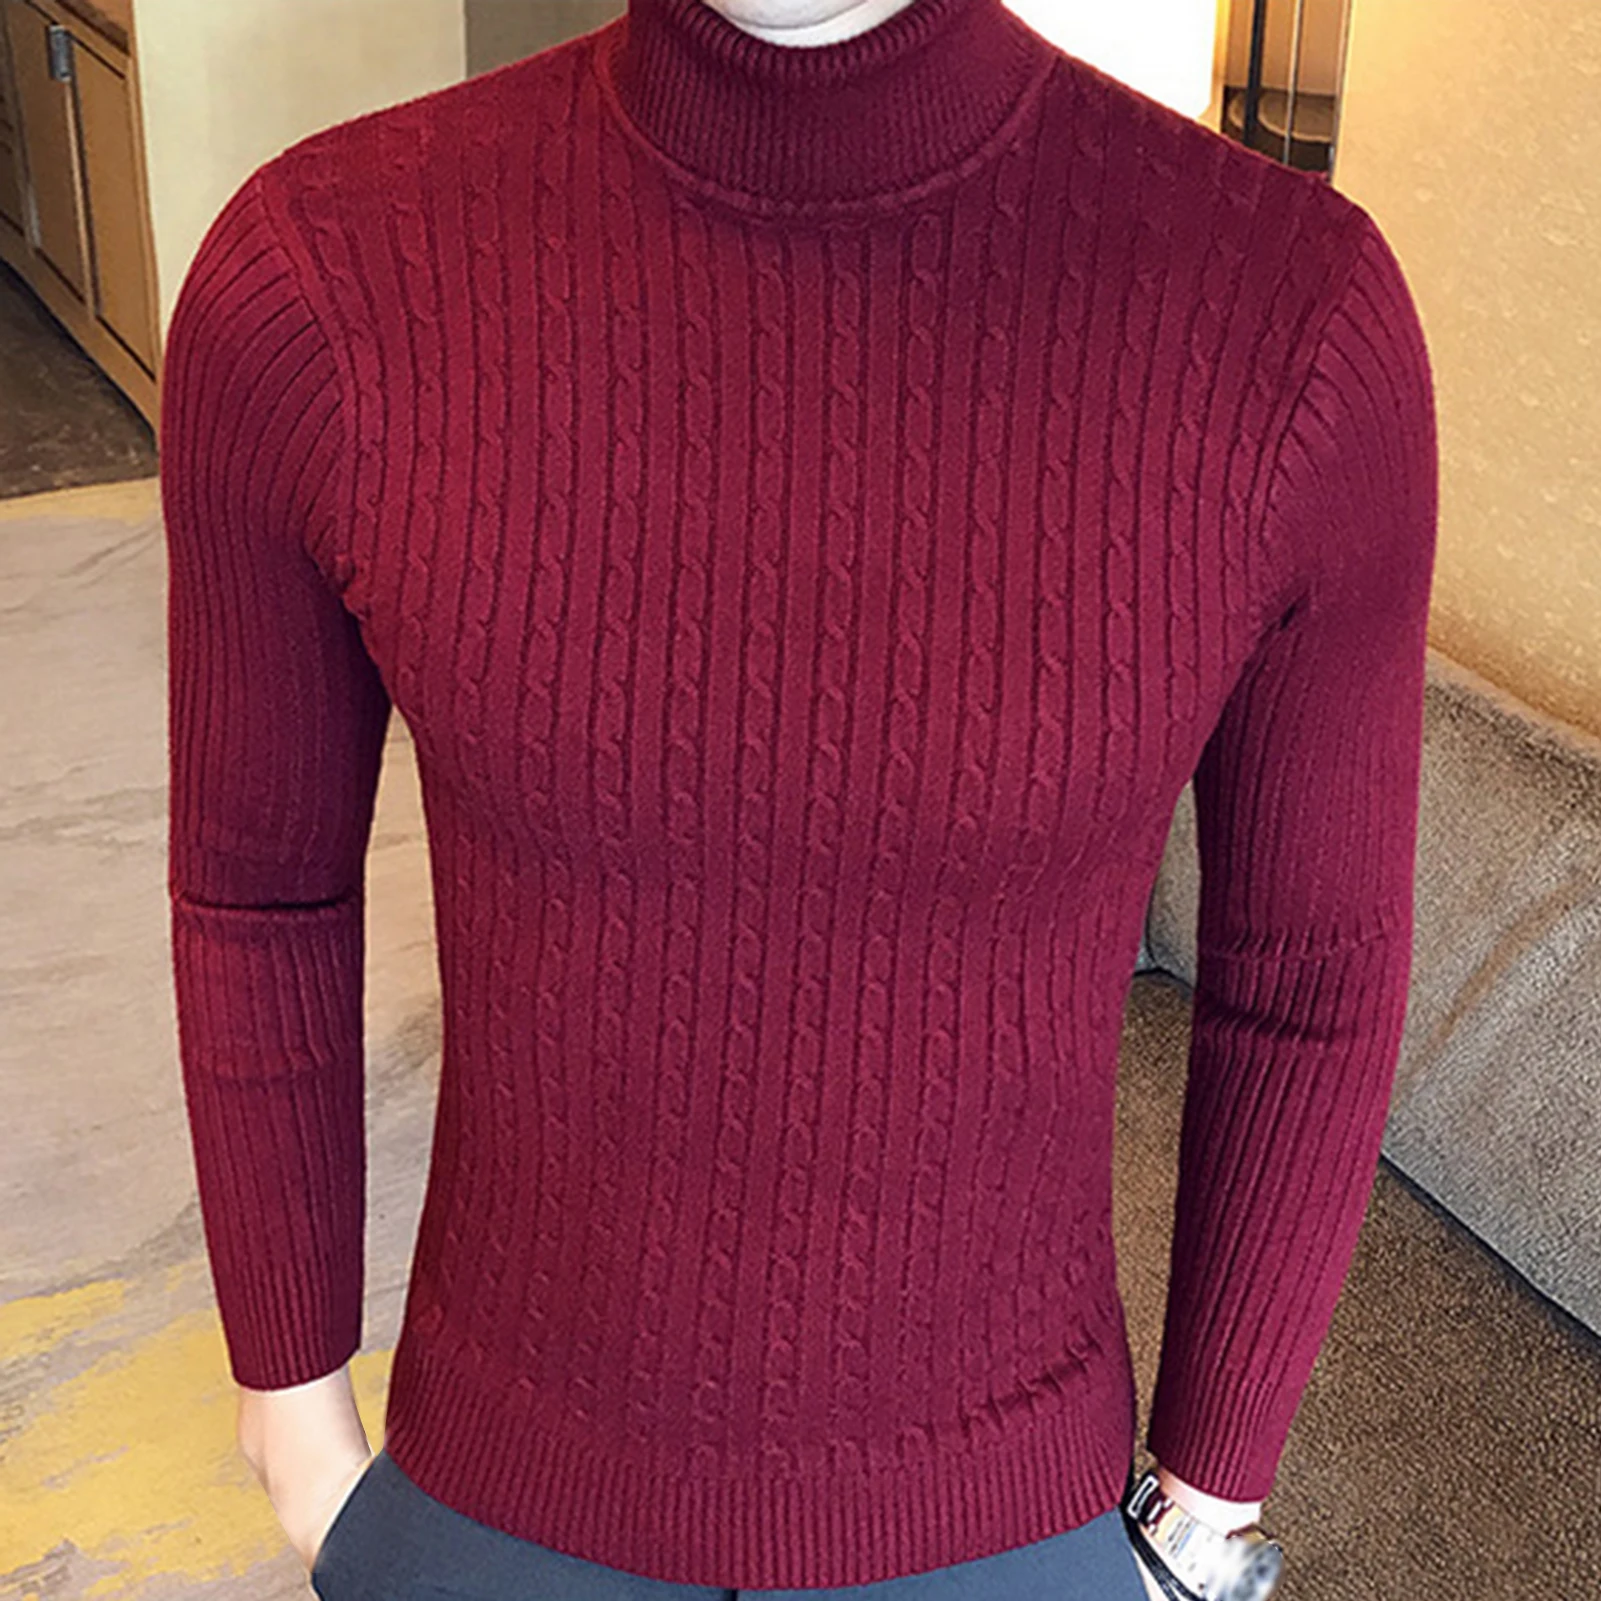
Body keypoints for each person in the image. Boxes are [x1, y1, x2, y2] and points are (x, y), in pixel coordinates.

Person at [158, 0, 1438, 1596]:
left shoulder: (1287, 313)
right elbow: (259, 891)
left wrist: (1204, 1516)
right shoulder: (322, 279)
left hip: (1011, 1522)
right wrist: (294, 1431)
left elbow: (1310, 973)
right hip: (487, 1499)